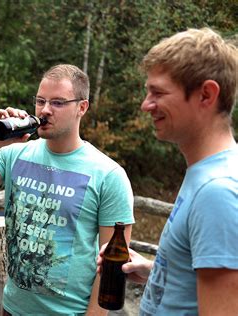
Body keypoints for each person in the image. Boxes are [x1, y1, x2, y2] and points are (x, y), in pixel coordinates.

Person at [0, 64, 135, 315]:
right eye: (41, 101)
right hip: (12, 309)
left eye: (57, 102)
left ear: (82, 107)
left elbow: (109, 270)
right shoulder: (15, 155)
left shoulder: (109, 175)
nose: (45, 110)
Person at [97, 28, 238, 315]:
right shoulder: (204, 174)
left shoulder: (218, 191)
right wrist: (158, 273)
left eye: (158, 93)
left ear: (206, 94)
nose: (145, 104)